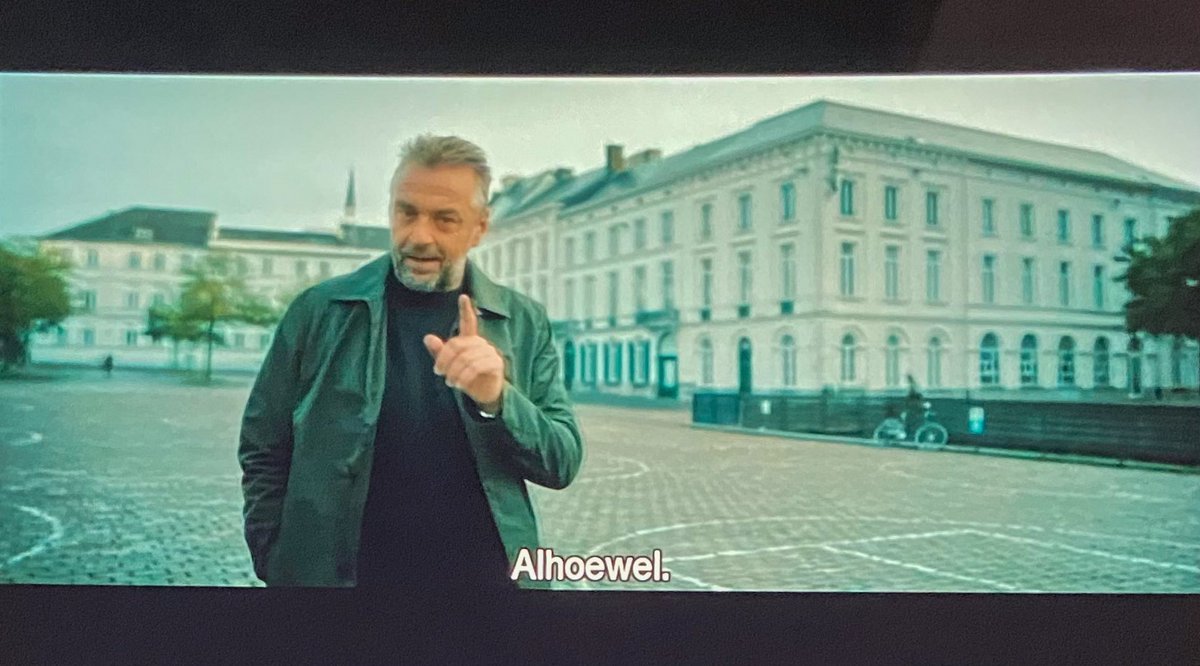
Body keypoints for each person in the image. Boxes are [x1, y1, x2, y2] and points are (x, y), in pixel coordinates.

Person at [238, 135, 584, 593]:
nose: (420, 236)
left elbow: (561, 462)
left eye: (445, 219)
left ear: (479, 228)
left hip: (485, 588)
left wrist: (497, 399)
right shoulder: (321, 310)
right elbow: (264, 445)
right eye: (407, 213)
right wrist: (276, 555)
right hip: (345, 586)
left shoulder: (522, 320)